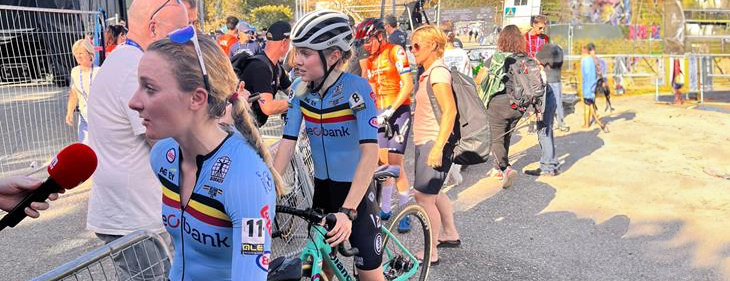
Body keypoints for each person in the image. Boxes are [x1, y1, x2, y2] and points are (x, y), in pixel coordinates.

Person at [129, 25, 280, 280]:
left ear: (197, 98)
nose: (134, 101)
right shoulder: (162, 156)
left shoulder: (247, 178)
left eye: (150, 88)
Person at [273, 10, 383, 281]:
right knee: (314, 268)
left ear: (333, 55)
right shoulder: (300, 88)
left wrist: (348, 211)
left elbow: (370, 153)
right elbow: (288, 142)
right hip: (322, 191)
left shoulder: (357, 88)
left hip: (355, 196)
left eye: (306, 53)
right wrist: (270, 186)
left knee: (369, 275)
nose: (296, 60)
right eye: (297, 51)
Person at [85, 0, 187, 279]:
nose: (184, 43)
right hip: (134, 216)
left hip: (137, 212)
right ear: (153, 27)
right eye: (179, 32)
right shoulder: (135, 66)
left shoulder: (127, 60)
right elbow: (164, 141)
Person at [355, 18, 415, 232]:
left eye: (368, 40)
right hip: (379, 114)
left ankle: (406, 210)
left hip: (398, 112)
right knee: (382, 164)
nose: (366, 45)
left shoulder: (395, 51)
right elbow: (368, 87)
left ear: (380, 36)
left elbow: (408, 85)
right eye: (362, 42)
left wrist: (391, 110)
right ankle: (386, 208)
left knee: (396, 165)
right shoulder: (370, 59)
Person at [410, 25, 462, 265]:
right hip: (428, 140)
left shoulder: (438, 73)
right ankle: (450, 233)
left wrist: (438, 147)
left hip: (433, 141)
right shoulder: (429, 72)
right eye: (411, 46)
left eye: (417, 45)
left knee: (424, 197)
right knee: (434, 192)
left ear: (433, 45)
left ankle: (431, 251)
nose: (412, 50)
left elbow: (450, 111)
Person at [484, 25, 526, 188]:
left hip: (498, 104)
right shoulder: (523, 58)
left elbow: (481, 77)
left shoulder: (497, 58)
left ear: (502, 39)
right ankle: (497, 167)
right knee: (507, 135)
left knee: (496, 138)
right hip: (519, 105)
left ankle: (505, 168)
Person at [236, 21, 292, 127]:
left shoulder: (276, 68)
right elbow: (268, 107)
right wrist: (297, 102)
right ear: (284, 42)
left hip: (251, 128)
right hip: (240, 131)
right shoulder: (260, 67)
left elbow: (292, 91)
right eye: (290, 42)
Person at [526, 43, 562, 177]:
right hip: (551, 103)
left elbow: (541, 94)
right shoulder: (551, 72)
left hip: (545, 105)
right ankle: (552, 164)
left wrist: (536, 111)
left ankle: (547, 167)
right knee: (548, 132)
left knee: (544, 133)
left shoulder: (542, 73)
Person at [66, 38, 100, 144]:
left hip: (99, 117)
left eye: (81, 53)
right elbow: (74, 94)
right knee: (85, 147)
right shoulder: (75, 72)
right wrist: (69, 112)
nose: (78, 56)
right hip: (84, 117)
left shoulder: (99, 72)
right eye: (76, 54)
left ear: (90, 54)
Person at [536, 42, 569, 132]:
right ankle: (560, 122)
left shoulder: (547, 48)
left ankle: (555, 122)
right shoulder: (558, 49)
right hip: (554, 80)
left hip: (549, 80)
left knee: (549, 102)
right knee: (557, 101)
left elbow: (539, 61)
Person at [581, 43, 609, 132]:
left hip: (587, 87)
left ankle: (587, 123)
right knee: (591, 106)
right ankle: (595, 121)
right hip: (593, 86)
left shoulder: (585, 60)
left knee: (587, 106)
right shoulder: (594, 60)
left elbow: (584, 74)